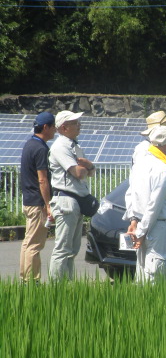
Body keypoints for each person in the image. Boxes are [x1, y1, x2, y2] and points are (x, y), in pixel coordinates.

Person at [126, 126, 166, 283]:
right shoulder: (163, 169)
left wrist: (134, 221)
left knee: (142, 271)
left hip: (140, 223)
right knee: (157, 272)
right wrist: (142, 232)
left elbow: (131, 194)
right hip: (158, 225)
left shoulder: (139, 164)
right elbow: (154, 204)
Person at [48, 111, 96, 280]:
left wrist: (88, 166)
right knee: (63, 248)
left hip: (75, 200)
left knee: (73, 249)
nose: (79, 125)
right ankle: (56, 287)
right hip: (66, 199)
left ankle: (67, 284)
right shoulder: (61, 146)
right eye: (75, 123)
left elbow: (89, 171)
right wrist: (87, 167)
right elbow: (79, 172)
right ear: (64, 127)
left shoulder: (74, 145)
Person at [19, 112, 57, 283]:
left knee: (28, 243)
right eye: (53, 126)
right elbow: (42, 179)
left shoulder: (29, 144)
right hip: (37, 203)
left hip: (28, 200)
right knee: (35, 245)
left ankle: (26, 279)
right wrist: (48, 205)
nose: (55, 130)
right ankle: (31, 282)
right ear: (45, 127)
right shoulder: (41, 148)